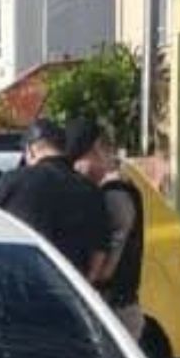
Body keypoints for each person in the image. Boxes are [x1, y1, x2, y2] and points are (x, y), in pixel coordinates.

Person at [0, 117, 110, 283]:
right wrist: (82, 287)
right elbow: (99, 254)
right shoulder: (90, 190)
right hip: (66, 290)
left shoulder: (12, 181)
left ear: (31, 151)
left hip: (19, 285)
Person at [69, 117, 145, 341]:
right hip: (114, 309)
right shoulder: (109, 191)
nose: (74, 170)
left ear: (96, 151)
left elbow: (105, 269)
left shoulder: (114, 195)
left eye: (77, 161)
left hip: (113, 312)